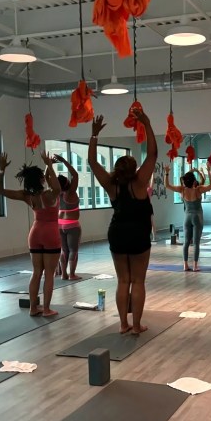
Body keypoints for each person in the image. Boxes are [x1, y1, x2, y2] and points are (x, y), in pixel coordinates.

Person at [88, 112, 157, 334]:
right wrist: (146, 123)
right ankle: (136, 326)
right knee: (138, 281)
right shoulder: (140, 182)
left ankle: (123, 324)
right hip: (138, 234)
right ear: (134, 169)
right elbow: (153, 154)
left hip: (117, 232)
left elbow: (92, 162)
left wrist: (94, 135)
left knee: (123, 281)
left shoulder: (111, 185)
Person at [0, 151, 61, 317]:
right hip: (50, 233)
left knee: (36, 272)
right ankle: (46, 309)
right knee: (49, 274)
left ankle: (33, 308)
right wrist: (49, 165)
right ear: (41, 179)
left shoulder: (26, 196)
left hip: (35, 233)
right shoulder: (50, 194)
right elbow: (57, 187)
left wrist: (1, 170)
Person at [165, 163, 211, 271]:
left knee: (186, 242)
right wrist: (209, 171)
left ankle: (185, 265)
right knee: (196, 243)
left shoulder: (182, 190)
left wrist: (167, 173)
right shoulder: (198, 190)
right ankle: (195, 266)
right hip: (197, 217)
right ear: (194, 181)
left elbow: (167, 185)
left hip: (187, 218)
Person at [53, 154, 82, 280]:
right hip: (72, 225)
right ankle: (72, 274)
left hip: (60, 225)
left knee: (63, 250)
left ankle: (64, 274)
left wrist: (49, 165)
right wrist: (63, 160)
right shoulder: (71, 193)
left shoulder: (57, 193)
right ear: (67, 183)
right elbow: (75, 175)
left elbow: (48, 178)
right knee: (73, 250)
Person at [147, 172, 157, 242]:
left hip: (146, 207)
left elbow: (152, 181)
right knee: (151, 222)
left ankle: (153, 237)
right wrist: (152, 173)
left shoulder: (146, 190)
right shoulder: (149, 190)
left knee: (151, 222)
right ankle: (154, 237)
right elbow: (152, 181)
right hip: (148, 207)